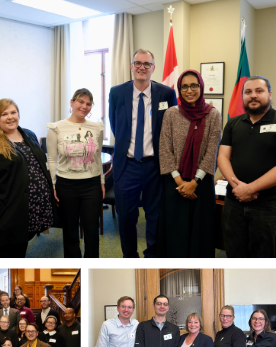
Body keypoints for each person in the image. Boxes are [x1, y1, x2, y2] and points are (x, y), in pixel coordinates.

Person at [108, 49, 179, 258]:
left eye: (146, 64)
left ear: (153, 68)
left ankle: (152, 257)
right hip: (126, 165)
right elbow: (116, 125)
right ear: (131, 66)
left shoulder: (166, 94)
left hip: (154, 166)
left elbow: (171, 127)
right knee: (126, 217)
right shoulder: (117, 92)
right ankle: (129, 257)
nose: (141, 67)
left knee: (154, 216)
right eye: (137, 63)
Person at [218, 75, 276, 257]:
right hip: (234, 202)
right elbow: (223, 157)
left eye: (259, 91)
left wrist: (249, 189)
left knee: (263, 257)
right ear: (242, 96)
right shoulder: (233, 123)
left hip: (268, 205)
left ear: (270, 94)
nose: (253, 96)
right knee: (233, 253)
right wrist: (238, 188)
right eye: (248, 92)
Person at [158, 70, 223, 257]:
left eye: (194, 85)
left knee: (200, 233)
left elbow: (213, 150)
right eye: (184, 86)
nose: (189, 90)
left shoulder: (213, 114)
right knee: (175, 232)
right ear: (179, 89)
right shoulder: (171, 113)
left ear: (201, 87)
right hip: (175, 184)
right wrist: (180, 182)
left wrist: (194, 182)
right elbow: (164, 148)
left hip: (201, 184)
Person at [0, 98, 54, 257]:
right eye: (4, 114)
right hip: (7, 207)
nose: (10, 117)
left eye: (13, 112)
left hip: (31, 209)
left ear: (18, 114)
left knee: (21, 246)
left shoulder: (28, 134)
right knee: (7, 249)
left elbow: (41, 164)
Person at [47, 88, 105, 257]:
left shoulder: (96, 128)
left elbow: (98, 156)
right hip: (66, 185)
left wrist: (102, 182)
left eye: (88, 104)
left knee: (92, 231)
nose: (84, 106)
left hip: (92, 184)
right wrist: (53, 185)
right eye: (81, 101)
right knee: (70, 231)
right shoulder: (56, 128)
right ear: (72, 102)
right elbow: (52, 160)